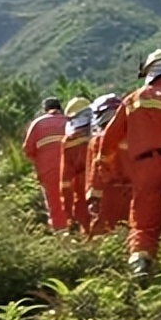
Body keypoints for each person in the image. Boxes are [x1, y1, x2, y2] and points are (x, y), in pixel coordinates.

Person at [98, 49, 161, 277]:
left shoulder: (132, 99)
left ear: (150, 73)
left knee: (144, 223)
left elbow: (109, 138)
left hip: (143, 169)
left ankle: (139, 264)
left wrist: (103, 165)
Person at [85, 93, 131, 236]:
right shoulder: (135, 137)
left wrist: (93, 201)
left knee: (104, 235)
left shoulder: (98, 141)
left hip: (109, 197)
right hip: (136, 194)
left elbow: (95, 174)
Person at [22, 96, 69, 230]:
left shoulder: (37, 124)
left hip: (47, 170)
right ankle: (82, 232)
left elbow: (28, 150)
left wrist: (39, 163)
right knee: (75, 199)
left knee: (54, 203)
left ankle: (61, 233)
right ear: (60, 108)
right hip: (71, 167)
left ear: (45, 110)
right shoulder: (68, 121)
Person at [59, 96, 93, 232]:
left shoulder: (70, 141)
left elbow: (65, 180)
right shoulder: (101, 132)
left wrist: (68, 212)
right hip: (107, 186)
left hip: (82, 188)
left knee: (89, 231)